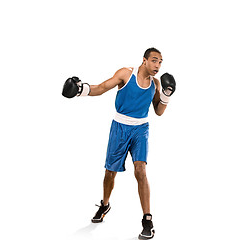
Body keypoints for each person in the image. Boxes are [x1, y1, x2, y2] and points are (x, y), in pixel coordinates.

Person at [62, 47, 176, 239]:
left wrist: (166, 95)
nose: (158, 65)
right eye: (155, 60)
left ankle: (147, 220)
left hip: (141, 130)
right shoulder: (126, 74)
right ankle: (105, 205)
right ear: (144, 60)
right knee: (110, 172)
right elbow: (102, 87)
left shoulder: (156, 83)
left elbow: (158, 111)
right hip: (120, 128)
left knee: (141, 170)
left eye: (161, 62)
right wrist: (81, 89)